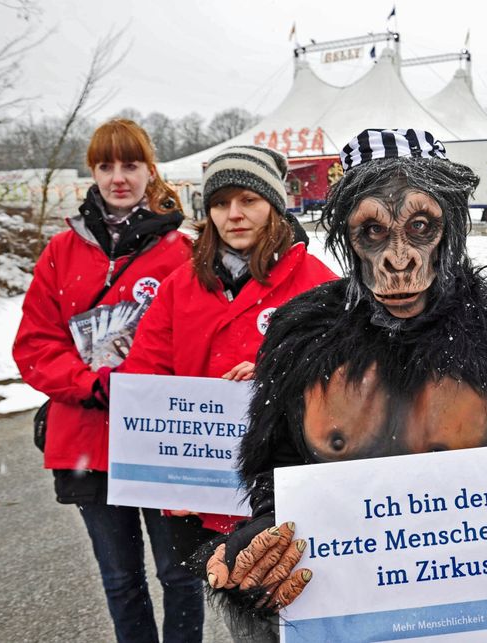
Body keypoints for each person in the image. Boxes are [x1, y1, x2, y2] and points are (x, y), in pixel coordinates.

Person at [184, 129, 487, 636]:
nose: (399, 259)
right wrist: (267, 541)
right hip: (348, 614)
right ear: (348, 239)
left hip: (474, 618)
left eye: (421, 226)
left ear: (453, 229)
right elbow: (277, 473)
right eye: (372, 232)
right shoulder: (302, 338)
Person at [119, 144, 338, 640]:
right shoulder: (181, 285)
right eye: (220, 203)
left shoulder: (318, 283)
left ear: (274, 205)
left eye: (248, 200)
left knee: (309, 614)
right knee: (250, 624)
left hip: (286, 493)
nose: (233, 214)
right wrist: (166, 478)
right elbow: (146, 378)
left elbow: (348, 387)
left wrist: (274, 375)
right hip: (210, 495)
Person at [12, 119, 200, 643]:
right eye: (106, 165)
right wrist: (92, 383)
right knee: (120, 580)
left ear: (149, 170)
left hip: (163, 441)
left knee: (180, 573)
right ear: (92, 172)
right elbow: (34, 346)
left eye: (131, 164)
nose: (119, 177)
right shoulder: (61, 252)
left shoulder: (180, 253)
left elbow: (199, 342)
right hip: (87, 440)